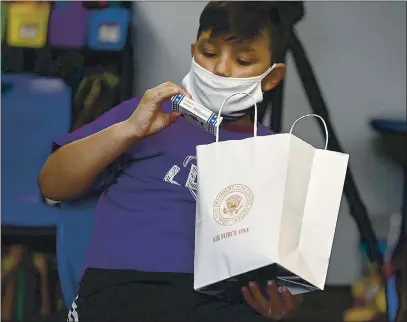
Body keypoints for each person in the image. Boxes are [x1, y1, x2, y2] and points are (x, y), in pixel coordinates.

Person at [40, 2, 303, 321]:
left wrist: (280, 306)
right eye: (208, 53)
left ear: (272, 77)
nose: (220, 69)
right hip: (120, 287)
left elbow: (286, 275)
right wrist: (128, 131)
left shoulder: (276, 152)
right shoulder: (147, 114)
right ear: (193, 52)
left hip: (219, 302)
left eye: (242, 60)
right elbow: (51, 184)